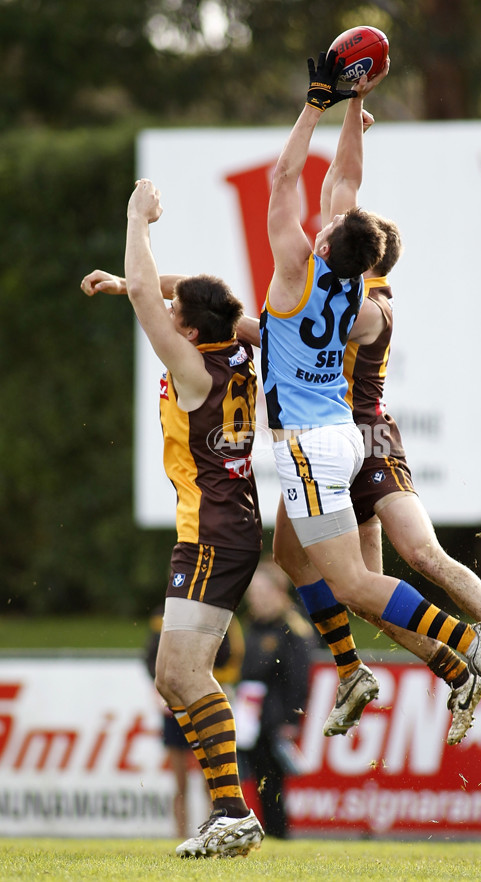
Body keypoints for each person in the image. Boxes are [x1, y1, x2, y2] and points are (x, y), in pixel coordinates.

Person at [260, 49, 481, 732]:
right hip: (338, 435)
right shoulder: (359, 291)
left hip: (312, 445)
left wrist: (315, 103)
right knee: (289, 554)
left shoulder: (293, 274)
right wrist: (353, 107)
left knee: (354, 585)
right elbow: (344, 183)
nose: (328, 216)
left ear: (328, 240)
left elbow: (287, 177)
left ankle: (470, 642)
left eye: (331, 222)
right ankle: (355, 670)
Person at [81, 180, 264, 859]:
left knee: (183, 677)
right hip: (224, 528)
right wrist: (135, 287)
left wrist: (136, 219)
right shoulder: (239, 344)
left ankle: (231, 812)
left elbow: (153, 300)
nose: (165, 307)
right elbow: (176, 296)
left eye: (173, 310)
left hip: (213, 532)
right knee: (173, 677)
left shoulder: (191, 369)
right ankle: (229, 813)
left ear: (189, 330)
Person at [144, 606, 245, 837]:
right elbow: (152, 658)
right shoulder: (165, 613)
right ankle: (180, 835)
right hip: (176, 705)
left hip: (204, 702)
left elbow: (231, 657)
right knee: (180, 783)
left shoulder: (217, 609)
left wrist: (201, 682)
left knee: (210, 780)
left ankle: (213, 831)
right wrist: (164, 685)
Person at [235, 561, 315, 839]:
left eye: (262, 591)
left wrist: (292, 719)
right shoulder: (251, 626)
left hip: (275, 716)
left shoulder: (292, 629)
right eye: (253, 592)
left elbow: (299, 679)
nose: (256, 598)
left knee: (272, 780)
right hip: (249, 716)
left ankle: (279, 833)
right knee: (255, 778)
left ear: (279, 591)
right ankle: (264, 831)